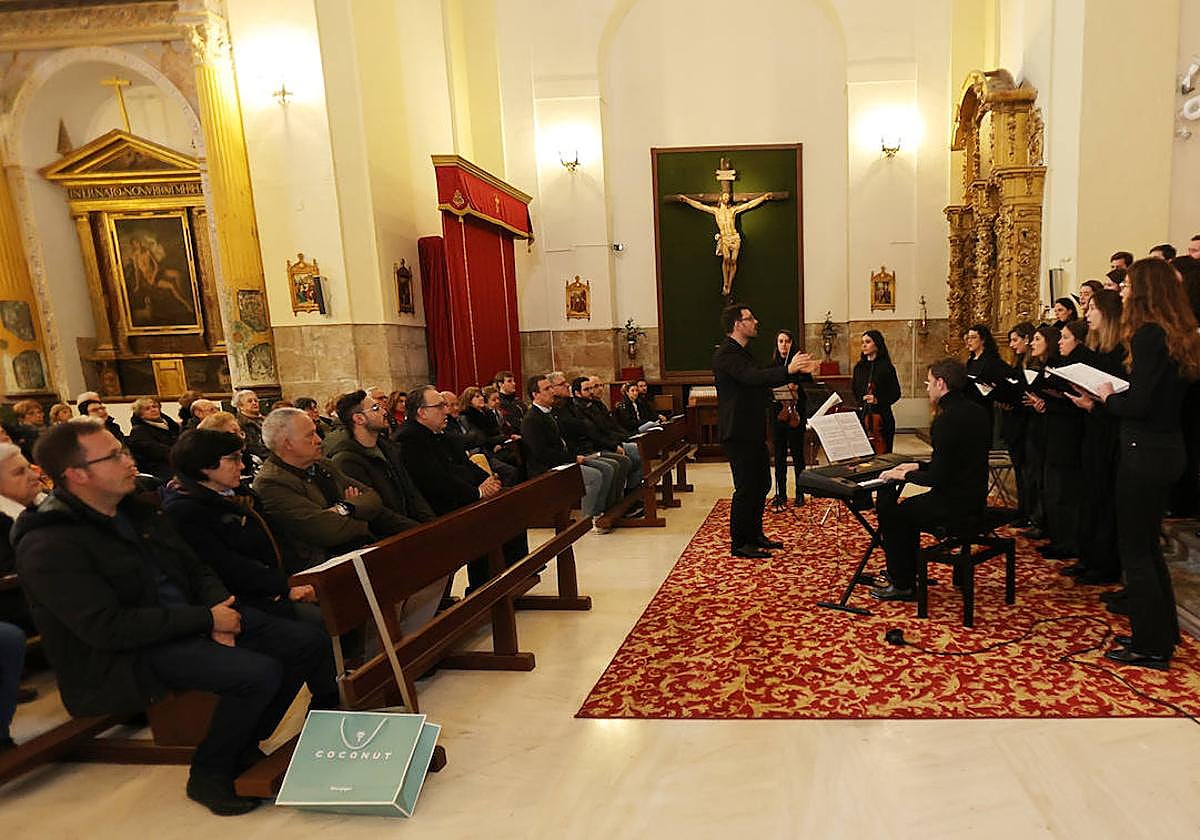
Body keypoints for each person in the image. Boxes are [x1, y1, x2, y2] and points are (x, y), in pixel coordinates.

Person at [13, 420, 339, 815]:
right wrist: (206, 620)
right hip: (126, 654)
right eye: (114, 456)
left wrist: (221, 611)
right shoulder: (50, 543)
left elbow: (197, 567)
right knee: (256, 672)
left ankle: (246, 742)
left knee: (306, 641)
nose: (129, 461)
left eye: (124, 451)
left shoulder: (137, 511)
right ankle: (210, 772)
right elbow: (107, 627)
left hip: (187, 620)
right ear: (77, 475)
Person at [1094, 258, 1200, 669]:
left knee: (1135, 550)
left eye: (1127, 286)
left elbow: (1138, 404)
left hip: (1143, 451)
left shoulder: (1148, 337)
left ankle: (1148, 645)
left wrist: (1105, 397)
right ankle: (1162, 632)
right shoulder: (1178, 334)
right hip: (1169, 449)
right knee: (1150, 549)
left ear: (1145, 291)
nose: (1121, 291)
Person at [162, 430, 323, 625]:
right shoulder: (184, 510)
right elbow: (226, 566)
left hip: (277, 580)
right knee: (320, 620)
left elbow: (277, 537)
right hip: (245, 598)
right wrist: (285, 587)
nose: (242, 466)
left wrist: (297, 577)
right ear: (204, 465)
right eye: (234, 459)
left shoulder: (241, 495)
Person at [869, 359, 991, 601]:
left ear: (941, 383)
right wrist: (916, 464)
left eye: (929, 383)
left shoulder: (945, 419)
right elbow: (957, 462)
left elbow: (936, 478)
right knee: (908, 510)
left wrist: (904, 474)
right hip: (975, 496)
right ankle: (907, 571)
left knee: (897, 514)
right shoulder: (978, 411)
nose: (927, 389)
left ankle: (902, 582)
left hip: (954, 504)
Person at [252, 408, 413, 574]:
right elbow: (324, 530)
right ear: (287, 444)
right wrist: (361, 514)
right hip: (323, 568)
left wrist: (344, 508)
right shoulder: (271, 483)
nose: (319, 440)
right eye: (310, 435)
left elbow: (373, 498)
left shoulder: (322, 465)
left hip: (358, 551)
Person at [712, 303, 816, 558]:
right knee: (746, 487)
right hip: (738, 431)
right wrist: (788, 369)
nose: (756, 321)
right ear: (738, 324)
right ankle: (740, 543)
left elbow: (762, 375)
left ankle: (755, 534)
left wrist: (799, 375)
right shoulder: (726, 354)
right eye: (750, 318)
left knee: (762, 483)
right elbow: (751, 378)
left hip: (752, 429)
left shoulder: (744, 352)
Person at [396, 385, 511, 590]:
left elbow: (465, 465)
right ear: (422, 412)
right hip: (437, 509)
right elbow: (436, 481)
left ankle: (507, 579)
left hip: (459, 498)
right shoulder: (410, 438)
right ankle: (482, 590)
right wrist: (478, 492)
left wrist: (488, 480)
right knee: (484, 523)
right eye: (439, 406)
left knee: (507, 507)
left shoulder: (439, 433)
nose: (446, 410)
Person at [1064, 289, 1124, 584]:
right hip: (1094, 428)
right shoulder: (1098, 350)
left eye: (1092, 308)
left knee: (1103, 500)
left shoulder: (1120, 351)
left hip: (1111, 433)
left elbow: (1122, 398)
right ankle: (1087, 557)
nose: (1086, 313)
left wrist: (1093, 404)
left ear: (1108, 313)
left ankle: (1103, 563)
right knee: (1089, 497)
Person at [324, 390, 436, 525]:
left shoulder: (388, 448)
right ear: (359, 419)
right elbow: (375, 511)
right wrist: (414, 528)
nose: (384, 412)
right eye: (375, 408)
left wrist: (430, 522)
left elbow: (411, 491)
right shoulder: (347, 460)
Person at [520, 374, 610, 526]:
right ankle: (587, 521)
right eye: (547, 389)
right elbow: (541, 454)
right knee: (594, 477)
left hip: (563, 461)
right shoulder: (531, 419)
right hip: (547, 469)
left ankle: (602, 511)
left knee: (607, 467)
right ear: (535, 395)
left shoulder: (549, 413)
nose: (552, 392)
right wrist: (572, 459)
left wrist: (575, 456)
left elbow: (563, 442)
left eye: (551, 387)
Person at [769, 329, 814, 508]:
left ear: (792, 343)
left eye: (787, 341)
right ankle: (780, 493)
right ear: (777, 344)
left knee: (798, 455)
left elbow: (810, 389)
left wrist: (798, 385)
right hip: (779, 415)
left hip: (796, 414)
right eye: (780, 341)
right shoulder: (773, 366)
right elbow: (768, 387)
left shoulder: (800, 366)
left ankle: (800, 493)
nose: (784, 345)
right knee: (779, 456)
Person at [851, 329, 901, 454]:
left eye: (868, 342)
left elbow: (896, 393)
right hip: (863, 417)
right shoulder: (859, 368)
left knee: (883, 456)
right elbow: (855, 390)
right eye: (862, 342)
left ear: (877, 344)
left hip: (882, 418)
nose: (864, 345)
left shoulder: (886, 367)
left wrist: (877, 400)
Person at [963, 323, 1009, 444]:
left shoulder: (990, 360)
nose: (969, 341)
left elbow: (999, 381)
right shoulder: (971, 361)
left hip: (985, 405)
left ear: (982, 340)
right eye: (968, 338)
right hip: (970, 404)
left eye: (973, 338)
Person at [127, 396, 181, 482]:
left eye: (154, 407)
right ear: (140, 414)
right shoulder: (139, 431)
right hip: (158, 469)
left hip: (176, 461)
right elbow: (155, 451)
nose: (153, 410)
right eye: (147, 409)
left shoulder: (171, 426)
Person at [233, 390, 269, 459]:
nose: (254, 403)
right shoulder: (240, 424)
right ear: (241, 406)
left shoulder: (267, 419)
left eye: (256, 401)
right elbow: (253, 448)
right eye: (250, 401)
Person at [493, 370, 526, 436]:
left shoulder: (518, 401)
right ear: (501, 384)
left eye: (513, 381)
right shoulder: (499, 403)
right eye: (509, 381)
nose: (514, 383)